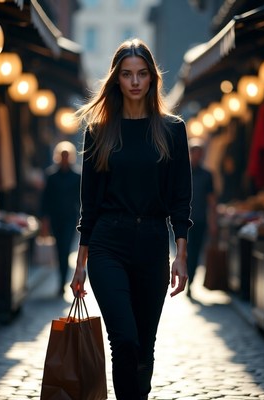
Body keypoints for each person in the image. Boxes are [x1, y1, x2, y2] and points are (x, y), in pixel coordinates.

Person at [70, 38, 192, 400]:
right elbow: (88, 205)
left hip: (153, 242)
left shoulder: (171, 130)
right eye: (127, 74)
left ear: (152, 78)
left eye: (141, 74)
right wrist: (81, 264)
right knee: (123, 339)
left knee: (144, 345)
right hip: (109, 243)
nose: (135, 81)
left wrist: (181, 255)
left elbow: (181, 200)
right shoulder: (99, 131)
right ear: (117, 79)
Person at [40, 141, 80, 296]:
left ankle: (63, 281)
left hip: (70, 218)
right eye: (62, 155)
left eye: (67, 155)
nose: (64, 158)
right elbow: (45, 200)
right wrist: (44, 220)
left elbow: (81, 200)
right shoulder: (51, 176)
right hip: (56, 218)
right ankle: (61, 281)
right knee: (59, 250)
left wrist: (81, 219)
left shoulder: (77, 176)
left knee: (65, 248)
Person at [186, 138, 217, 299]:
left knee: (195, 252)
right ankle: (187, 280)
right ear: (190, 153)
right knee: (186, 252)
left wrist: (213, 222)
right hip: (184, 220)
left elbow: (211, 200)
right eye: (195, 152)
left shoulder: (207, 175)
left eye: (200, 153)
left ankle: (190, 283)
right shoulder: (183, 172)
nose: (197, 156)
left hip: (199, 220)